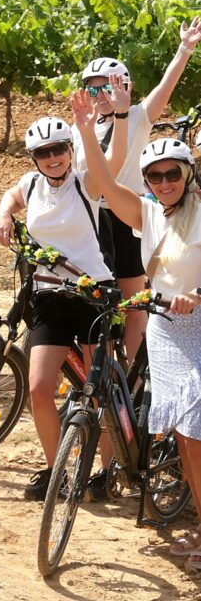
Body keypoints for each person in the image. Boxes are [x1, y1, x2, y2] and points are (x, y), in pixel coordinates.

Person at [74, 99, 201, 567]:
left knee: (195, 431)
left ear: (187, 175)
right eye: (155, 176)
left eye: (173, 174)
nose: (164, 183)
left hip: (199, 323)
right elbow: (104, 184)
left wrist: (198, 295)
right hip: (165, 328)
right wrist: (89, 131)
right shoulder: (147, 213)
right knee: (184, 436)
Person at [0, 88, 128, 500]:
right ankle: (58, 472)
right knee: (38, 388)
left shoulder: (86, 184)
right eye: (44, 153)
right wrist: (3, 214)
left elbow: (111, 168)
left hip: (91, 297)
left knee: (97, 388)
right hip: (49, 296)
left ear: (70, 151)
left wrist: (89, 130)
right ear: (34, 158)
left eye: (59, 150)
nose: (53, 158)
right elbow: (13, 196)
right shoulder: (31, 186)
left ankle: (107, 472)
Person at [71, 19, 201, 359]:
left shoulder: (138, 116)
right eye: (94, 89)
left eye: (108, 87)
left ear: (123, 86)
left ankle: (130, 373)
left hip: (129, 217)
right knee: (94, 297)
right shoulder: (81, 127)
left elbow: (166, 87)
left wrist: (184, 48)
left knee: (131, 299)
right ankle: (100, 374)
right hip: (91, 218)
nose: (100, 95)